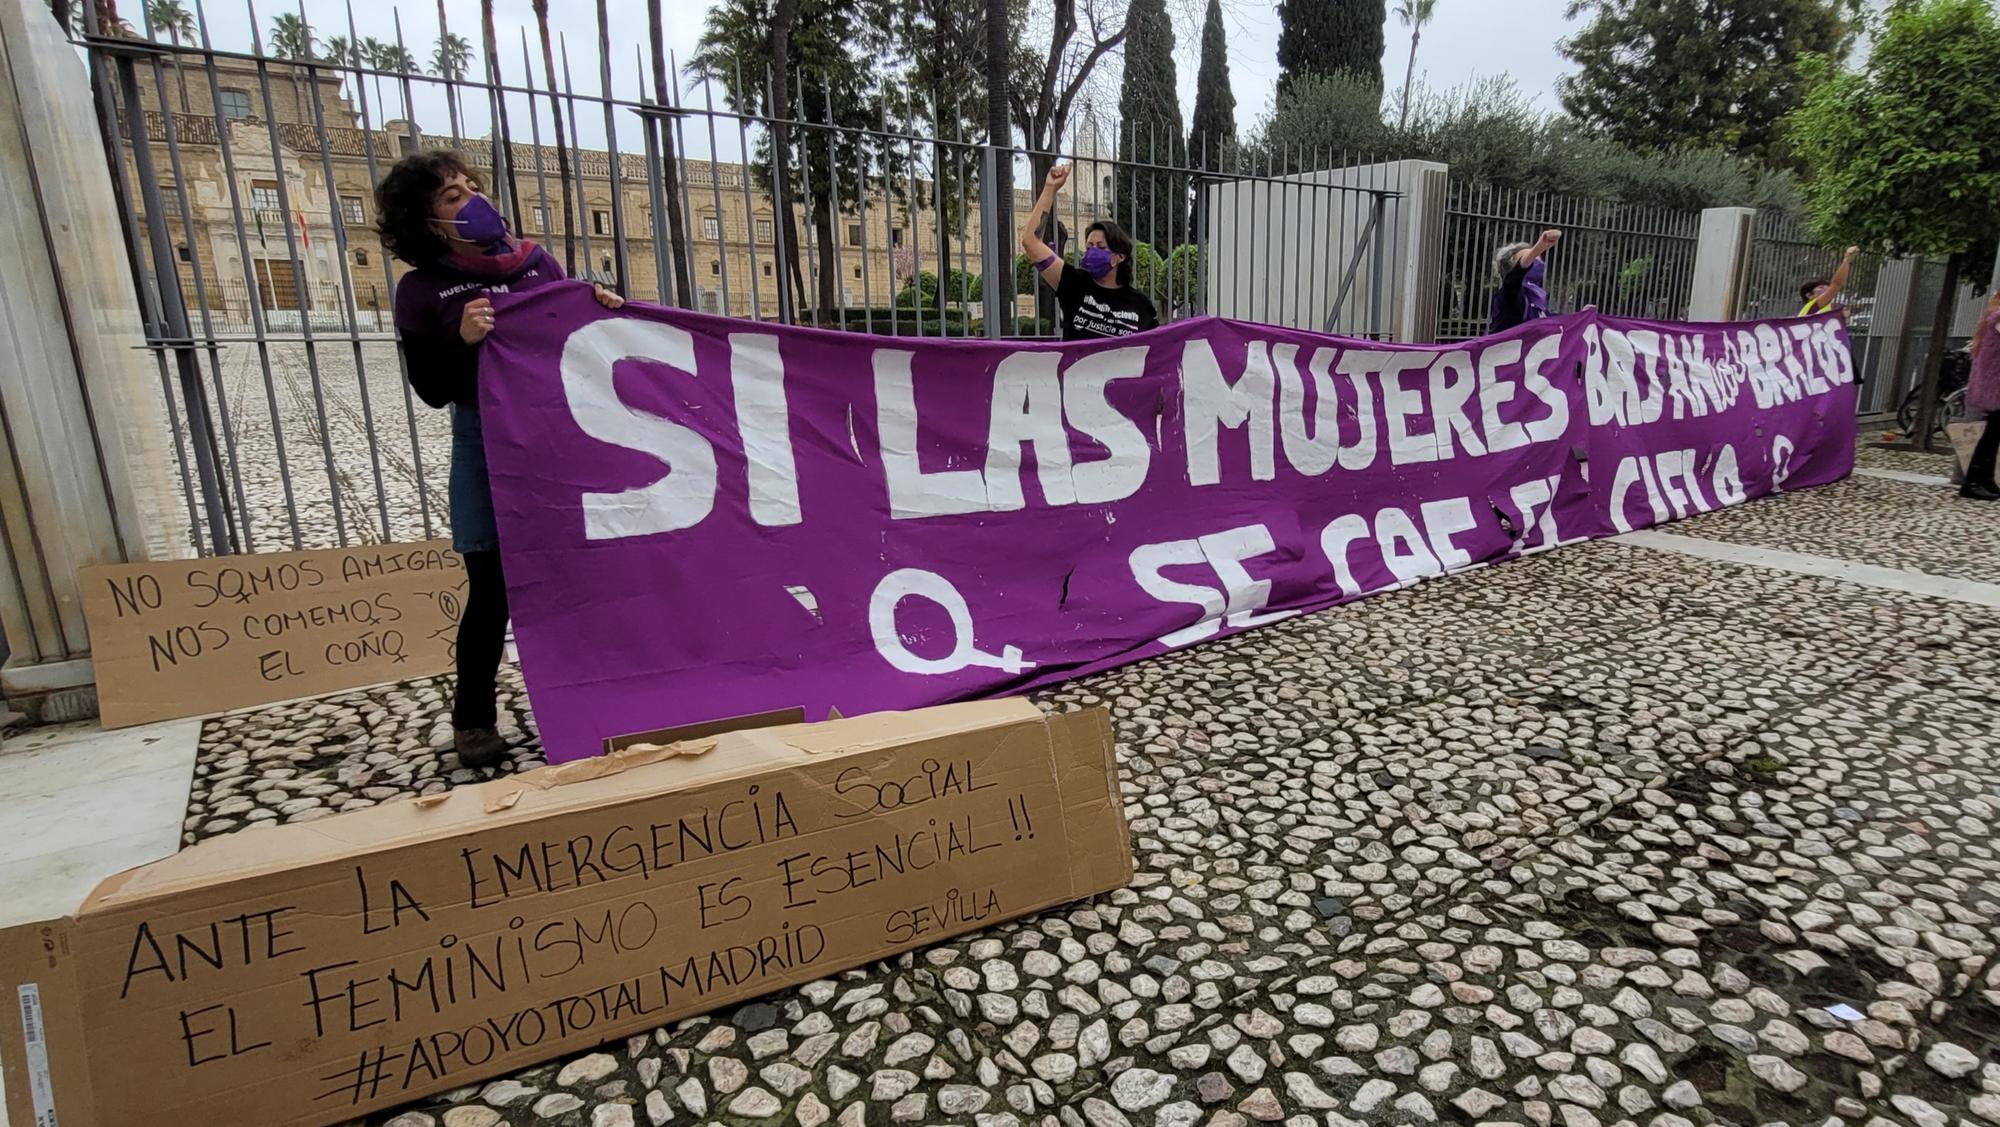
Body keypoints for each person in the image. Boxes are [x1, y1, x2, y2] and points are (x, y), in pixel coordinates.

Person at [375, 151, 624, 767]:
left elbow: (573, 341)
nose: (472, 199)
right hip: (483, 441)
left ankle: (595, 696)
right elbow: (432, 388)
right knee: (492, 589)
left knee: (582, 576)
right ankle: (473, 720)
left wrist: (600, 307)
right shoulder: (421, 290)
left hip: (558, 439)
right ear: (426, 221)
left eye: (471, 186)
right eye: (452, 196)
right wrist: (464, 342)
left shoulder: (536, 264)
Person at [1019, 164, 1158, 341]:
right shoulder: (1073, 284)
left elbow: (1157, 352)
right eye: (1089, 246)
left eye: (1100, 247)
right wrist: (1050, 188)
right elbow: (1030, 242)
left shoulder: (1141, 305)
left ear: (1119, 257)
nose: (1092, 252)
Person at [1961, 290, 2000, 501]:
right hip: (1995, 386)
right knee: (1991, 435)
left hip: (1994, 385)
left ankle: (1984, 479)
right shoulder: (1998, 316)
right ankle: (1974, 481)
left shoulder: (1992, 315)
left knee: (1993, 434)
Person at [1487, 229, 1561, 334]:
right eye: (1531, 258)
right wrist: (1537, 249)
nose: (1537, 262)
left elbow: (1552, 322)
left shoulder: (1537, 298)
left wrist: (1581, 316)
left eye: (1538, 258)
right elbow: (1513, 279)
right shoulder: (1509, 296)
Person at [1799, 246, 1861, 316]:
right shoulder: (1812, 306)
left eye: (1827, 287)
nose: (1827, 289)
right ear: (1809, 295)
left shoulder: (1824, 309)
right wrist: (1847, 260)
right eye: (1821, 287)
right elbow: (1836, 285)